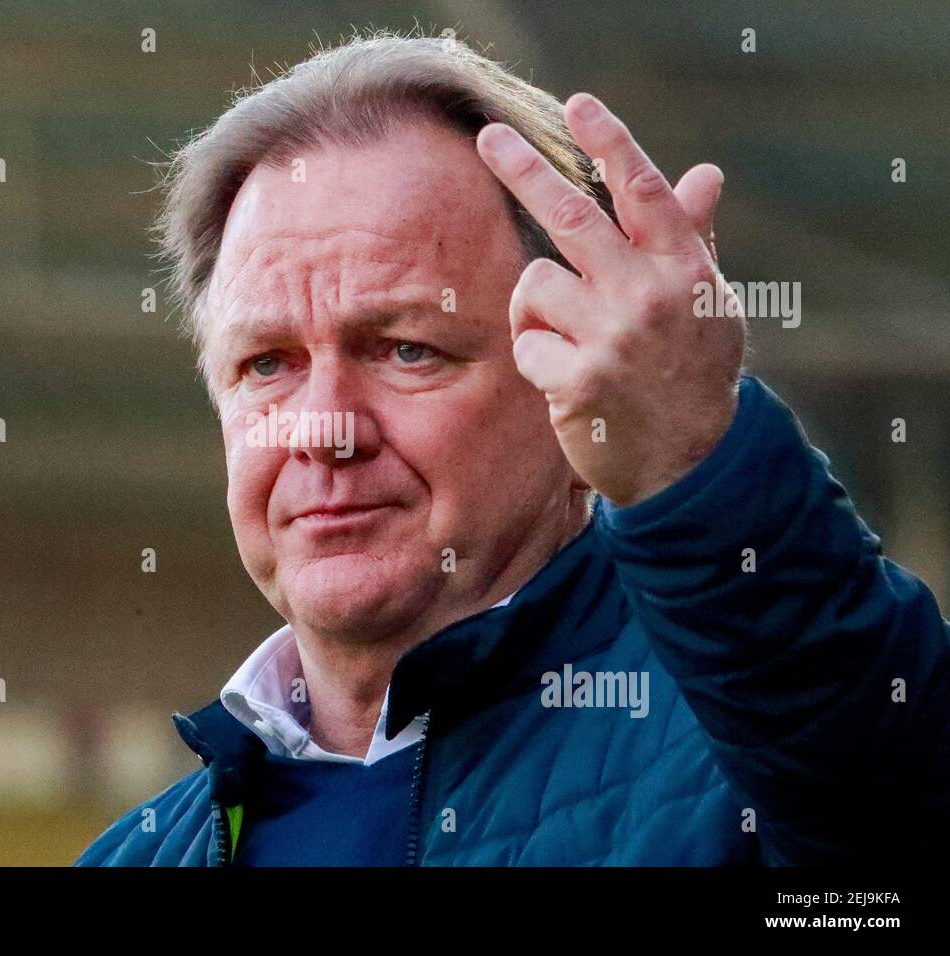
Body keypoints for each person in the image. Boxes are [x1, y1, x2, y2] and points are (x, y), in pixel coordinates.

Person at [75, 32, 950, 866]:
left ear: (567, 380)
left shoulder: (762, 764)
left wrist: (692, 459)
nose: (324, 429)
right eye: (268, 365)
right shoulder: (137, 855)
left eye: (407, 348)